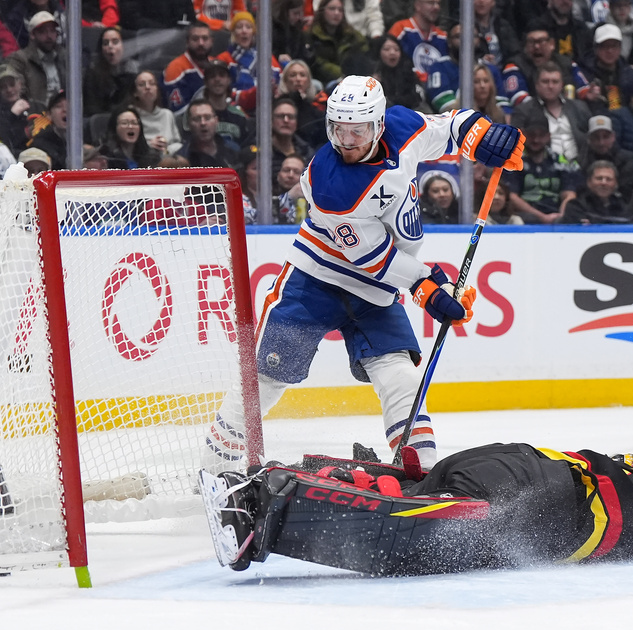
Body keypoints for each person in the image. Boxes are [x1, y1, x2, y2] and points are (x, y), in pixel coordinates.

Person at [202, 75, 524, 472]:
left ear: (379, 125)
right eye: (338, 129)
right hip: (314, 282)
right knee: (266, 377)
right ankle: (214, 468)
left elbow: (447, 128)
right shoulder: (331, 182)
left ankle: (422, 473)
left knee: (401, 376)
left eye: (357, 130)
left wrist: (484, 136)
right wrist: (429, 285)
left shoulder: (403, 127)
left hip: (374, 294)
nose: (347, 141)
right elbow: (374, 260)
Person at [201, 441, 633, 575]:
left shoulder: (610, 477)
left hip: (511, 469)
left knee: (417, 529)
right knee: (437, 525)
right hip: (530, 493)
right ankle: (269, 496)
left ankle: (294, 482)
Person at [504, 114, 579, 224]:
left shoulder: (560, 161)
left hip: (556, 214)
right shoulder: (512, 160)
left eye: (541, 135)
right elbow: (512, 197)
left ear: (549, 136)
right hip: (525, 216)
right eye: (532, 135)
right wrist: (542, 217)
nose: (536, 140)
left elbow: (569, 194)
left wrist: (562, 215)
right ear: (523, 134)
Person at [511, 63, 591, 163]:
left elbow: (591, 139)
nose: (550, 86)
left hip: (580, 167)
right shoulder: (523, 110)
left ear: (562, 85)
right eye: (545, 82)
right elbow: (514, 144)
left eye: (555, 82)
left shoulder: (579, 107)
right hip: (544, 170)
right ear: (537, 85)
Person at [216, 12, 281, 116]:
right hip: (236, 107)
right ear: (233, 32)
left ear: (253, 32)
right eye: (239, 27)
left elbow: (279, 79)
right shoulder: (224, 58)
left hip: (268, 106)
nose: (244, 31)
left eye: (248, 27)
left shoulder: (266, 56)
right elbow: (223, 91)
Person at [5, 11, 66, 109]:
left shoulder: (65, 57)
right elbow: (18, 95)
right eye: (43, 31)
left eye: (52, 31)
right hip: (35, 116)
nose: (49, 36)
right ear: (32, 35)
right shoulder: (19, 59)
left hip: (63, 114)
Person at [576, 114, 633, 200]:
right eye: (596, 137)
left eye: (605, 137)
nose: (601, 142)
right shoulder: (581, 161)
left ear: (613, 137)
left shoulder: (627, 159)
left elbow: (628, 188)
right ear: (589, 139)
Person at [306, 0, 369, 85]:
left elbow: (365, 53)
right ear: (322, 11)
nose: (336, 13)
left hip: (351, 81)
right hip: (321, 81)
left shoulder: (352, 35)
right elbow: (317, 63)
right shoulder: (311, 35)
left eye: (340, 10)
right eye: (332, 9)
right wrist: (341, 73)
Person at [82, 26, 137, 117]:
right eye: (105, 43)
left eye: (115, 42)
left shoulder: (131, 71)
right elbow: (91, 107)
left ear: (123, 46)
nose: (110, 46)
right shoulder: (93, 73)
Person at [0, 64, 41, 157]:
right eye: (3, 87)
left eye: (12, 84)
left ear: (20, 84)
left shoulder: (38, 107)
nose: (9, 90)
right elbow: (2, 142)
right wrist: (11, 115)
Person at [388, 0, 448, 82]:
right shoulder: (401, 29)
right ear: (417, 5)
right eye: (430, 3)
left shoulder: (442, 37)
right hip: (405, 85)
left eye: (438, 3)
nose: (436, 7)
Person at [163, 21, 214, 112]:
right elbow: (178, 112)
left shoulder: (216, 65)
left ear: (211, 41)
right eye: (195, 39)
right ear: (187, 42)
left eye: (205, 38)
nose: (201, 43)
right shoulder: (175, 68)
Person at [200, 61, 252, 147]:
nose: (217, 79)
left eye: (221, 75)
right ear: (206, 82)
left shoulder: (239, 115)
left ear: (229, 80)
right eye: (212, 76)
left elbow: (246, 148)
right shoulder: (196, 114)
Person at [561, 160, 630, 224]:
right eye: (599, 178)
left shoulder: (624, 207)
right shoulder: (576, 206)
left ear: (616, 184)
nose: (604, 183)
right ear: (589, 182)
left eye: (609, 179)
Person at [177, 98, 240, 168]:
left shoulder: (233, 150)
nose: (203, 123)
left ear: (216, 121)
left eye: (207, 118)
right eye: (197, 119)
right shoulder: (182, 157)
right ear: (189, 124)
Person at [131, 70, 182, 156]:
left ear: (157, 90)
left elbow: (177, 144)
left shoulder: (167, 114)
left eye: (152, 83)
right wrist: (148, 146)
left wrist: (166, 151)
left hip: (168, 159)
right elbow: (127, 147)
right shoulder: (130, 115)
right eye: (142, 84)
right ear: (135, 92)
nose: (147, 87)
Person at [98, 104, 163, 169]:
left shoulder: (151, 156)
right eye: (124, 123)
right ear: (115, 128)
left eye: (134, 123)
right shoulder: (107, 156)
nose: (130, 127)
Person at [372, 34, 423, 111]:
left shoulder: (408, 72)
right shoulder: (373, 74)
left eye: (396, 49)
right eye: (386, 49)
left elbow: (417, 98)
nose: (392, 52)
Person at [29, 90, 67, 169]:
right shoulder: (41, 143)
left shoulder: (85, 138)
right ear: (49, 115)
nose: (65, 110)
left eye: (70, 106)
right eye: (59, 106)